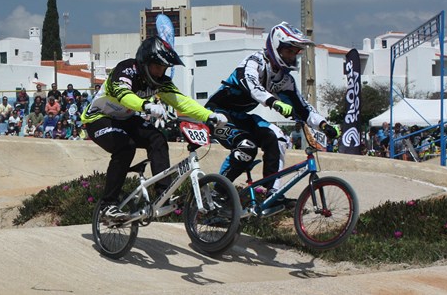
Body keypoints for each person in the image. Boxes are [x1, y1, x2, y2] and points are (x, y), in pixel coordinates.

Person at [81, 35, 228, 221]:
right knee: (126, 147)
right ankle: (107, 205)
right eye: (157, 67)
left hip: (126, 118)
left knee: (157, 138)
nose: (160, 72)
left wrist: (209, 115)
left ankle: (162, 193)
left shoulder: (161, 82)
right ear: (145, 62)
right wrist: (146, 106)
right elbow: (123, 95)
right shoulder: (125, 69)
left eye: (164, 68)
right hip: (98, 118)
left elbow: (182, 102)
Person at [205, 22, 337, 205]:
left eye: (295, 52)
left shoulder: (285, 79)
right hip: (218, 114)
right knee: (247, 147)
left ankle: (272, 193)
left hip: (241, 118)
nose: (292, 56)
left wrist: (324, 125)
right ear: (276, 47)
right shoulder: (254, 61)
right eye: (288, 51)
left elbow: (303, 108)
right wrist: (274, 102)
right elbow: (252, 86)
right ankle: (216, 195)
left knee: (278, 137)